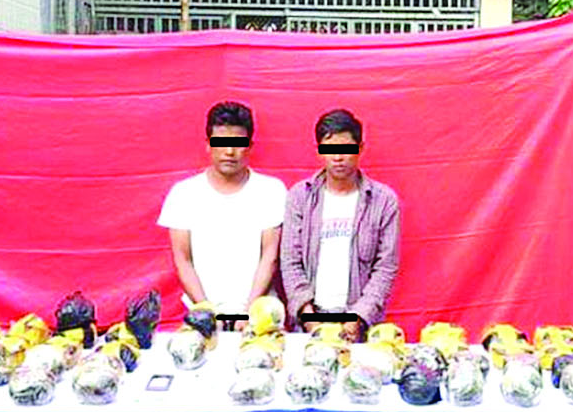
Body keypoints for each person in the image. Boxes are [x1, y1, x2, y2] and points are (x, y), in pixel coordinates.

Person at [281, 109, 401, 341]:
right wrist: (311, 322)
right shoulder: (300, 197)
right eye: (329, 149)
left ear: (360, 148)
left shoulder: (383, 201)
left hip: (360, 325)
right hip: (309, 322)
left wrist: (356, 319)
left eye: (346, 149)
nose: (337, 157)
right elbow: (290, 261)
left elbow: (386, 267)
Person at [157, 101, 286, 318]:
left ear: (250, 146)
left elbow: (270, 256)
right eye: (221, 143)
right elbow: (182, 260)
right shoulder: (183, 194)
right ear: (208, 145)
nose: (229, 152)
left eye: (238, 144)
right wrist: (206, 311)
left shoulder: (271, 190)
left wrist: (250, 312)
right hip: (203, 315)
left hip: (259, 315)